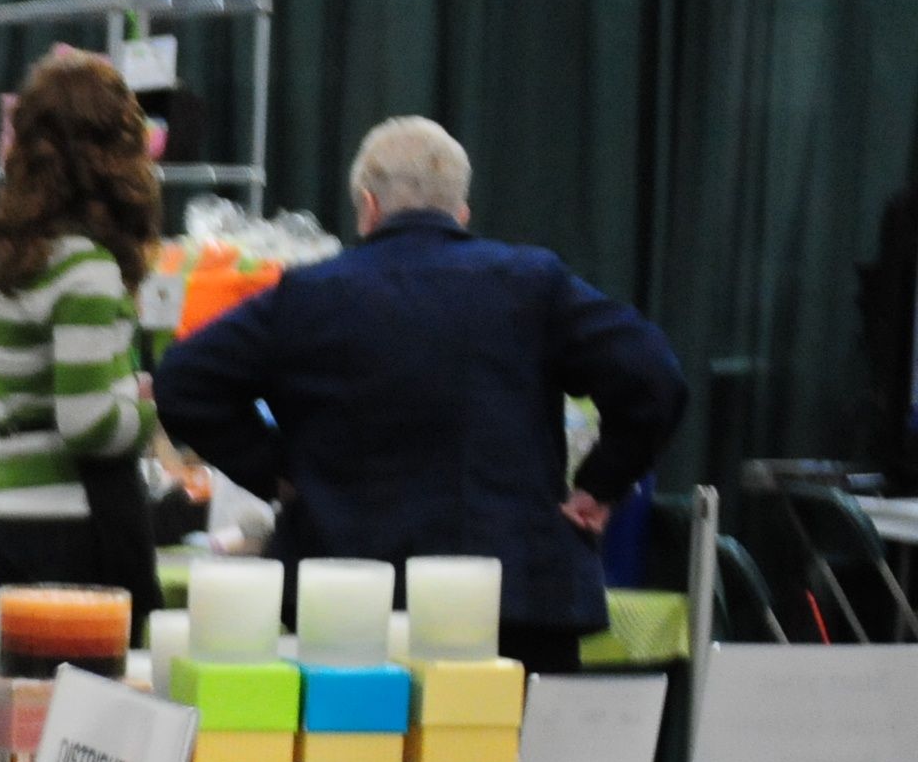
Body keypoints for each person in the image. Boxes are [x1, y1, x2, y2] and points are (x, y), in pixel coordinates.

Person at [154, 117, 688, 673]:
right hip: (514, 599)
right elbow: (655, 377)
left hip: (349, 605)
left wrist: (279, 472)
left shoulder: (307, 295)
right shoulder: (533, 283)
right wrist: (601, 484)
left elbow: (183, 382)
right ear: (462, 213)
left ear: (367, 206)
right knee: (515, 757)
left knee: (355, 757)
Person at [0, 48, 164, 621]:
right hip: (79, 519)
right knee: (97, 701)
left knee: (26, 700)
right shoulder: (86, 270)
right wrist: (157, 407)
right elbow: (88, 423)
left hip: (7, 507)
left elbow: (6, 397)